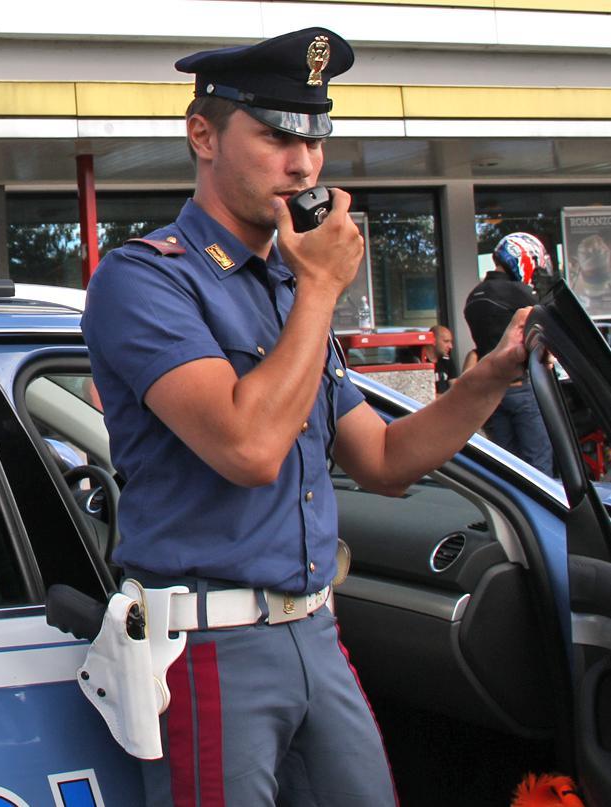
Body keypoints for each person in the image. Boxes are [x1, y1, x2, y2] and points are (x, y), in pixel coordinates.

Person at [82, 28, 538, 807]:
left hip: (315, 630)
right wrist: (321, 286)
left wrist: (488, 381)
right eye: (273, 136)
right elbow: (250, 447)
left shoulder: (291, 289)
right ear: (203, 135)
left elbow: (381, 458)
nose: (302, 164)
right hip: (208, 643)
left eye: (315, 139)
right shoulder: (144, 279)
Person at [464, 232, 554, 476]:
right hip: (521, 389)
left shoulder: (475, 295)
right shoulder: (517, 292)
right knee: (539, 468)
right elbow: (548, 326)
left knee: (508, 469)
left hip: (492, 392)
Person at [424, 324, 458, 394]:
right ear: (433, 341)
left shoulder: (447, 360)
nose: (451, 346)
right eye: (446, 341)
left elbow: (455, 389)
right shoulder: (417, 360)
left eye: (451, 342)